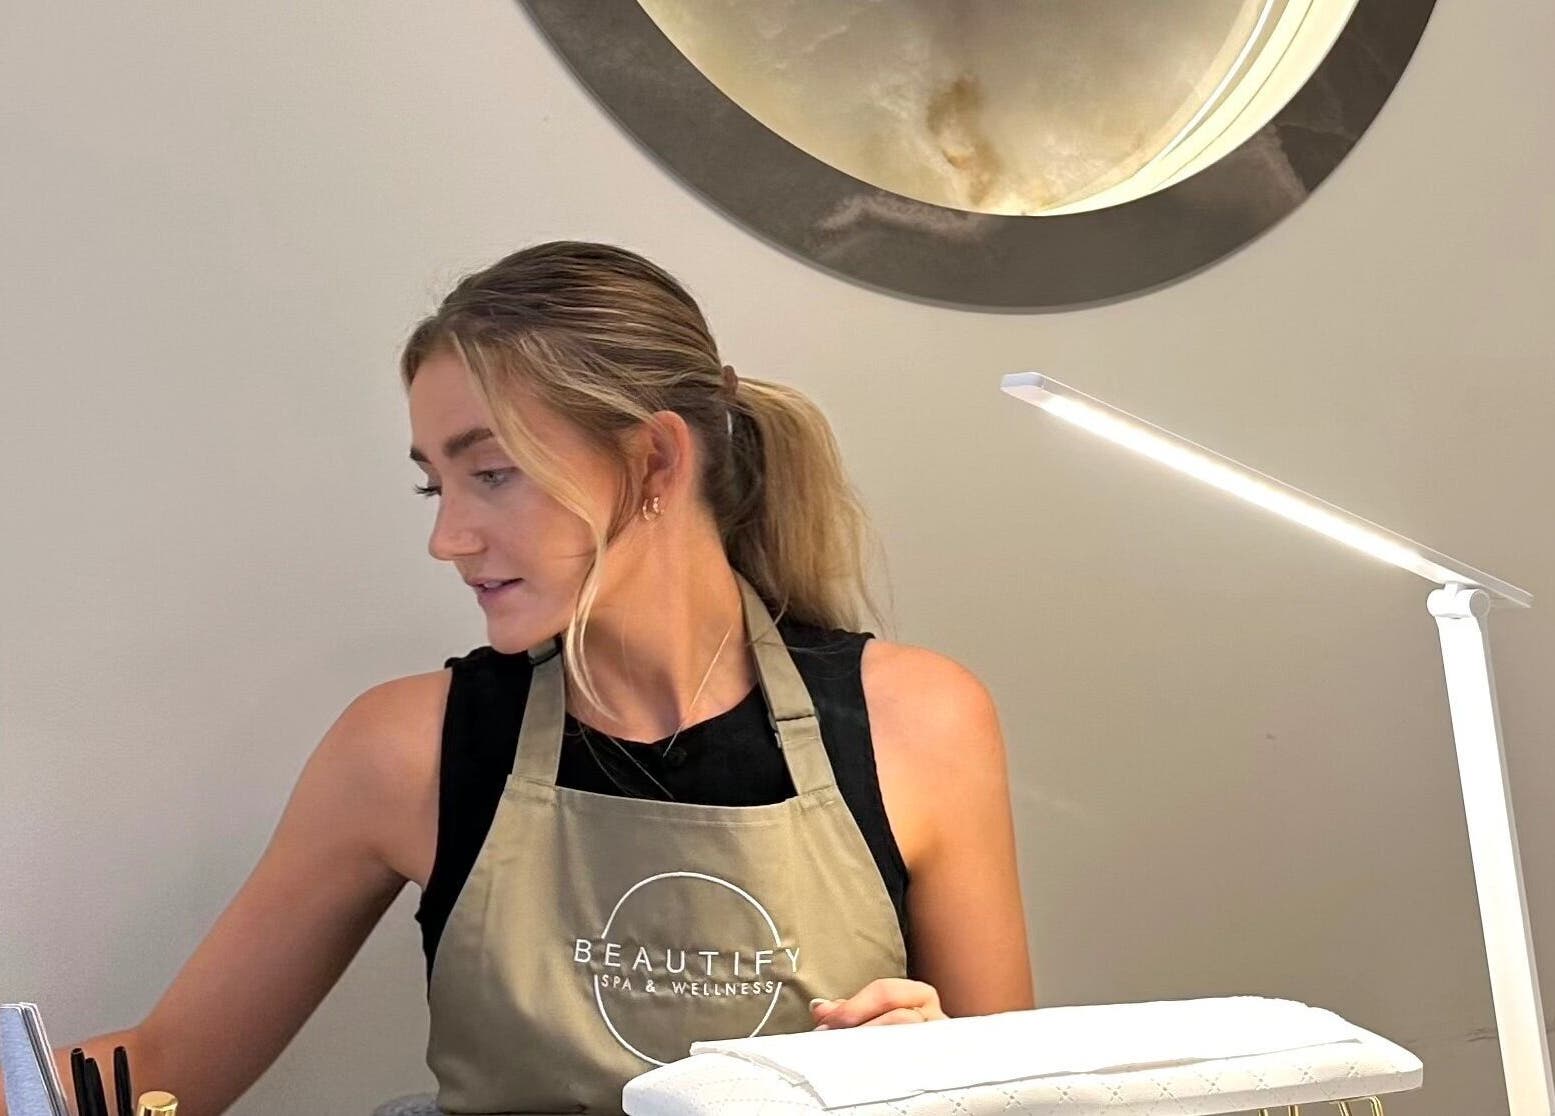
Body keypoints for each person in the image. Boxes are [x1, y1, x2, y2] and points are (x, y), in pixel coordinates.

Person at [13, 241, 1032, 1115]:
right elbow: (161, 1071)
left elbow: (1023, 1093)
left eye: (491, 473)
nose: (448, 538)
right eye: (436, 484)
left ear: (655, 462)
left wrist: (933, 1074)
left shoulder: (917, 722)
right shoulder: (403, 751)